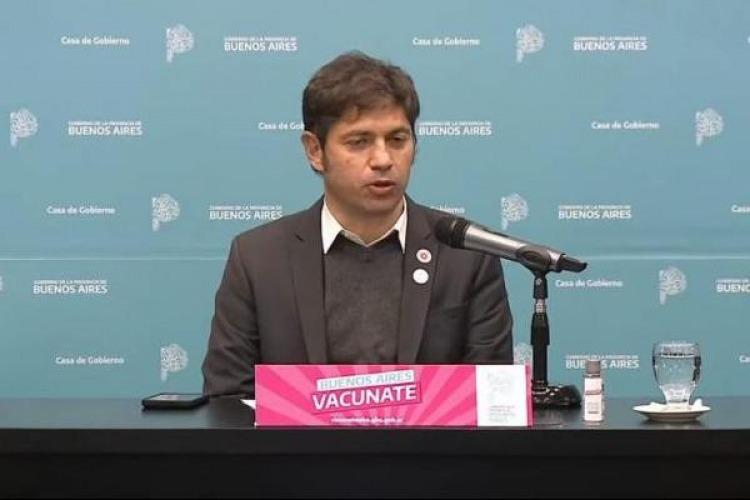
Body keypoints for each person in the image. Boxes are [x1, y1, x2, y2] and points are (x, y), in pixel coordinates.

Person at [202, 51, 513, 398]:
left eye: (397, 140)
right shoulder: (258, 258)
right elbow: (228, 399)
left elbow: (491, 401)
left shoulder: (466, 255)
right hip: (297, 438)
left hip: (430, 437)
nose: (383, 160)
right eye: (359, 142)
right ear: (315, 150)